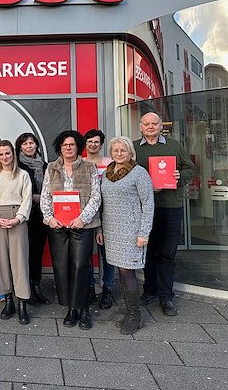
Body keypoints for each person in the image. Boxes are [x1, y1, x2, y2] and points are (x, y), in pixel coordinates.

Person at [134, 112, 196, 316]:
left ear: (161, 126)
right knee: (149, 251)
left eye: (154, 123)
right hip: (143, 208)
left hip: (170, 205)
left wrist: (178, 177)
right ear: (141, 127)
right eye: (146, 124)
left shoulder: (174, 146)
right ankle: (149, 290)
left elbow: (190, 168)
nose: (150, 127)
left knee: (167, 253)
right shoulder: (134, 149)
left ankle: (166, 296)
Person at [40, 130, 101, 330]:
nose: (68, 148)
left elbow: (96, 197)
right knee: (62, 267)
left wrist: (82, 218)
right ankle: (70, 308)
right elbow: (45, 196)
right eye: (65, 145)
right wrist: (49, 218)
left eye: (72, 144)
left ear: (78, 147)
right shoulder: (51, 168)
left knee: (80, 266)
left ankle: (83, 309)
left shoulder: (90, 167)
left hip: (81, 225)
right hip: (58, 226)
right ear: (60, 147)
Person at [98, 136, 154, 334]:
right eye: (115, 150)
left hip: (131, 230)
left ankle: (135, 316)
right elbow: (101, 203)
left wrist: (143, 232)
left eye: (123, 150)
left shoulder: (139, 173)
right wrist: (100, 229)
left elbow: (148, 204)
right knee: (121, 271)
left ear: (131, 153)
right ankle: (129, 310)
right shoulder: (107, 173)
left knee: (127, 270)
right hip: (111, 229)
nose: (119, 153)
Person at [0, 140, 32, 324]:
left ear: (13, 154)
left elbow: (27, 200)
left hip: (17, 218)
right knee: (1, 260)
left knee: (19, 261)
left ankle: (22, 303)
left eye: (7, 153)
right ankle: (8, 300)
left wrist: (17, 218)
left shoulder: (23, 175)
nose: (5, 157)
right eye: (1, 154)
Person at [15, 132, 50, 305]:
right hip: (23, 215)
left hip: (41, 215)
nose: (29, 146)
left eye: (31, 143)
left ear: (37, 145)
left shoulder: (45, 166)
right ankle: (24, 288)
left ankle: (36, 286)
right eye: (25, 144)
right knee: (23, 253)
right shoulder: (16, 166)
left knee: (38, 252)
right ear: (20, 147)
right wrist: (34, 196)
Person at [83, 129, 116, 310]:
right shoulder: (81, 164)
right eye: (90, 142)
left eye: (96, 142)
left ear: (101, 144)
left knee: (107, 255)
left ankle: (107, 289)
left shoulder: (110, 163)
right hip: (87, 213)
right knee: (86, 254)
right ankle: (89, 289)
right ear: (85, 144)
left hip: (108, 213)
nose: (93, 145)